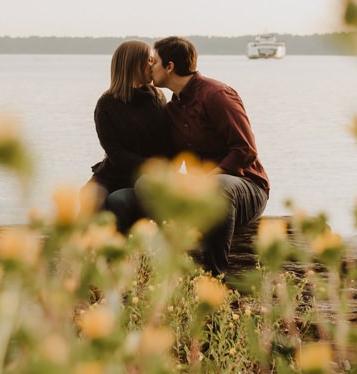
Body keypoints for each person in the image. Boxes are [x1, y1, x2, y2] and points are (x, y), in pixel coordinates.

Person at [149, 36, 269, 275]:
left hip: (247, 188)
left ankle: (216, 276)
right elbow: (175, 160)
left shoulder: (217, 95)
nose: (150, 67)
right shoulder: (173, 108)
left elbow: (245, 149)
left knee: (217, 186)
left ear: (170, 66)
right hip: (203, 191)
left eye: (155, 62)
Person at [84, 40, 172, 233]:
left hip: (146, 178)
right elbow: (115, 153)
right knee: (88, 199)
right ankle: (89, 258)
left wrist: (156, 169)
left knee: (119, 201)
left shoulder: (158, 98)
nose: (154, 65)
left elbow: (166, 145)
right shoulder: (106, 104)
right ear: (133, 63)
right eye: (149, 60)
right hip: (113, 174)